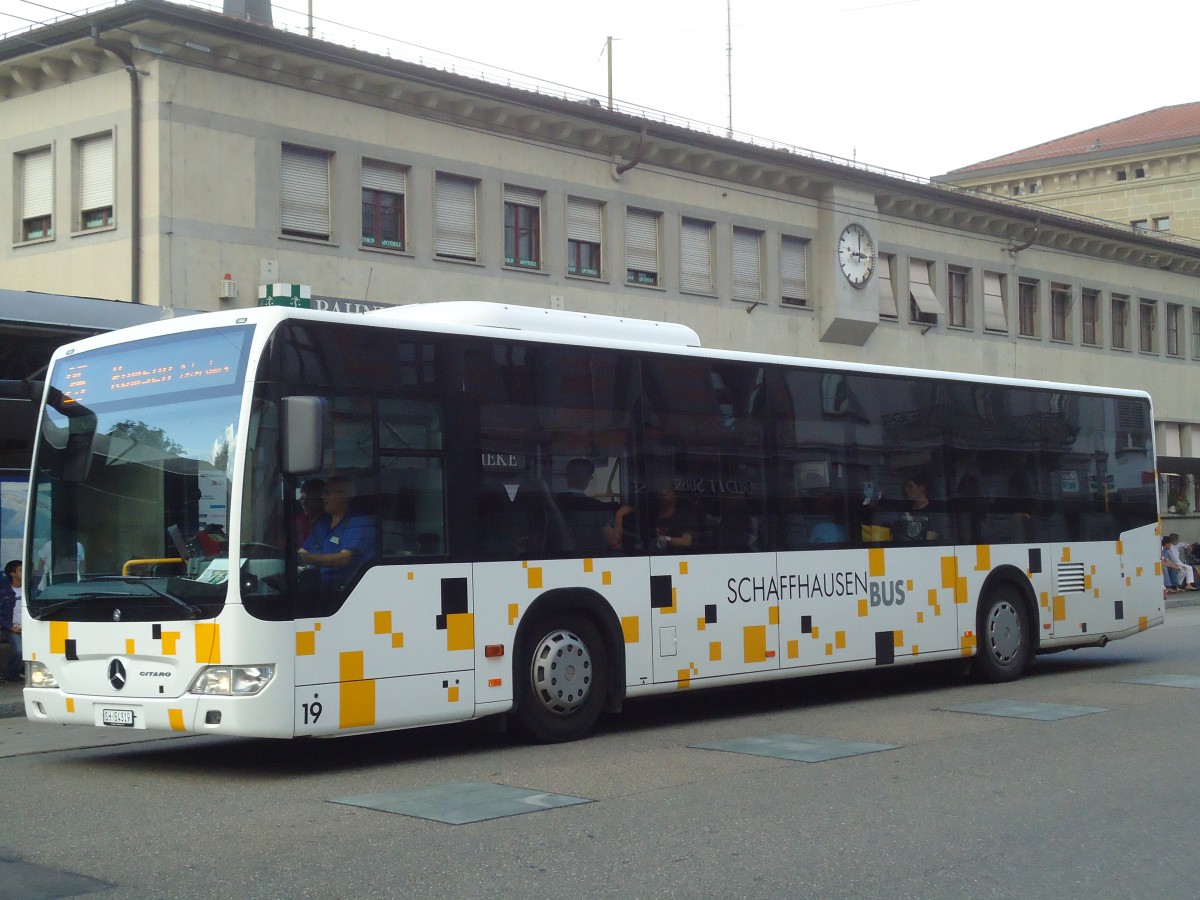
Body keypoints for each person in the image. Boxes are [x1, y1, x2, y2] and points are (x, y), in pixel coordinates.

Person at [299, 477, 375, 587]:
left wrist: (309, 559)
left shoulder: (359, 522)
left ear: (345, 496)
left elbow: (344, 559)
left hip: (347, 589)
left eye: (327, 493)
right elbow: (303, 551)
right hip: (322, 587)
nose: (322, 497)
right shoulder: (323, 523)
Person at [893, 471, 948, 543]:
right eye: (906, 487)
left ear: (921, 488)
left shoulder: (934, 509)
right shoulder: (906, 510)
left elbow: (932, 536)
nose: (906, 490)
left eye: (910, 486)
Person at [646, 485, 696, 553]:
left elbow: (686, 542)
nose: (663, 493)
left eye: (668, 491)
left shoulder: (684, 516)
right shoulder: (651, 517)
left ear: (676, 496)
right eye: (661, 491)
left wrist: (665, 539)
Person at [0, 561, 23, 682]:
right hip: (12, 628)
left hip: (29, 627)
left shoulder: (29, 589)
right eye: (20, 570)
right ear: (12, 574)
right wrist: (10, 627)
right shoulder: (5, 591)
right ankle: (10, 673)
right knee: (19, 650)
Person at [295, 477, 326, 545]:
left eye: (309, 498)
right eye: (302, 498)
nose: (304, 503)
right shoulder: (300, 520)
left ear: (322, 499)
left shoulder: (330, 521)